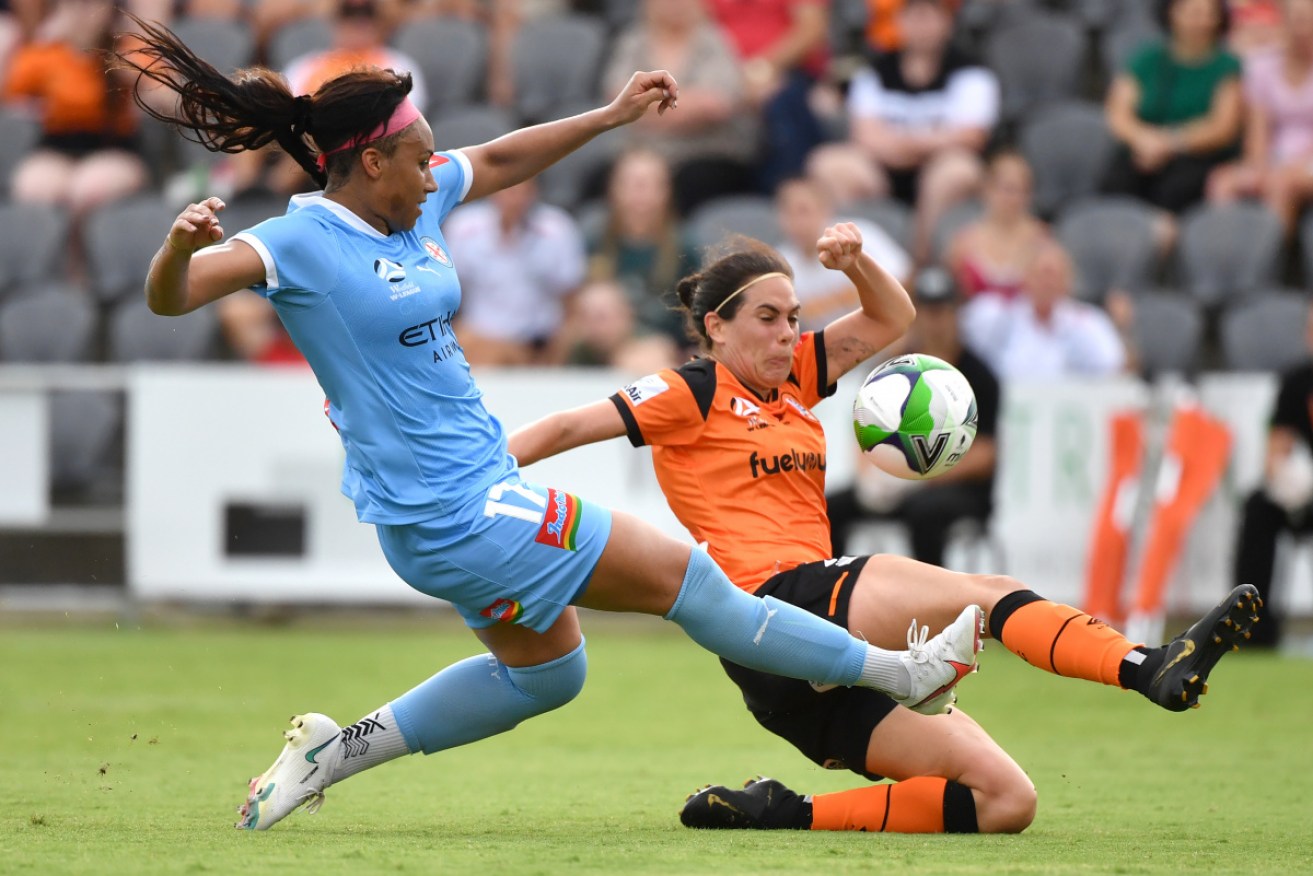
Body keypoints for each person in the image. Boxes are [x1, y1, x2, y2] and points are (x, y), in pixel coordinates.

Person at [116, 16, 981, 832]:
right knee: (694, 583)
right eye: (420, 162)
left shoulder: (409, 202)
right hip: (455, 513)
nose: (437, 174)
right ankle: (901, 673)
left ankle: (328, 755)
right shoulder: (301, 242)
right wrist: (176, 248)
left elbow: (495, 159)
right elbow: (174, 298)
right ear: (372, 163)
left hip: (457, 506)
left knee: (548, 675)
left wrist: (610, 116)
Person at [507, 223, 1261, 835]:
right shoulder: (692, 388)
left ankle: (784, 812)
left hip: (798, 668)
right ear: (716, 326)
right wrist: (482, 476)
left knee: (1003, 801)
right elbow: (573, 423)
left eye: (793, 316)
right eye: (767, 318)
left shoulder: (797, 373)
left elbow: (891, 318)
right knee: (988, 595)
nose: (786, 332)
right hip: (770, 603)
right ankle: (1144, 665)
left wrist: (858, 261)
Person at [827, 266, 998, 567]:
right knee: (830, 508)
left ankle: (933, 597)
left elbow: (985, 454)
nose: (935, 322)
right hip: (899, 479)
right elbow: (866, 426)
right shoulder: (895, 369)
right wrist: (871, 474)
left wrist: (921, 476)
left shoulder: (979, 375)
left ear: (956, 313)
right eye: (928, 311)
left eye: (942, 311)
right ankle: (834, 593)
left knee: (924, 512)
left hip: (959, 489)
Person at [807, 0, 998, 262]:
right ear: (900, 23)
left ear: (947, 24)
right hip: (884, 173)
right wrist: (930, 140)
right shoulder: (876, 70)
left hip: (938, 172)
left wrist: (902, 143)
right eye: (915, 18)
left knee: (957, 169)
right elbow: (865, 135)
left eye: (930, 18)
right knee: (829, 163)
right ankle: (861, 258)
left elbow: (971, 136)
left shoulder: (969, 71)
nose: (922, 28)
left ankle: (921, 263)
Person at [602, 0, 758, 215]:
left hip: (703, 151)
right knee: (603, 178)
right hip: (642, 150)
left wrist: (647, 104)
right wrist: (687, 104)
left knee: (696, 181)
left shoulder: (714, 40)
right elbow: (616, 97)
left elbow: (717, 103)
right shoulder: (634, 41)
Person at [2, 0, 147, 217]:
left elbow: (163, 91)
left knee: (88, 188)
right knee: (32, 187)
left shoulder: (125, 50)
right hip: (58, 145)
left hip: (113, 145)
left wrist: (127, 73)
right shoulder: (49, 53)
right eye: (71, 5)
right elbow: (10, 92)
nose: (81, 13)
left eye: (89, 5)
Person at [1103, 0, 1243, 214]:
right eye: (1191, 13)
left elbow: (1222, 127)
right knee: (1117, 182)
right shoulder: (1146, 59)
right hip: (1144, 147)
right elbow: (1118, 112)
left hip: (1196, 154)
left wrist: (1171, 142)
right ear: (1171, 14)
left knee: (1175, 189)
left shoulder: (1226, 67)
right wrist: (1143, 139)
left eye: (1207, 14)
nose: (1199, 21)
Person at [1231, 305, 1313, 649]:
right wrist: (1284, 477)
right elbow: (1277, 446)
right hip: (1307, 492)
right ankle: (1252, 628)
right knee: (1259, 506)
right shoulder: (1297, 381)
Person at [442, 176, 585, 365]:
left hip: (539, 344)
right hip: (475, 338)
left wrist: (554, 357)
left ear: (534, 192)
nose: (514, 198)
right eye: (508, 190)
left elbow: (572, 302)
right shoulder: (463, 227)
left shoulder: (557, 229)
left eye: (523, 190)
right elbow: (446, 296)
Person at [1208, 0, 1313, 234]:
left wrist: (1291, 168)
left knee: (1281, 185)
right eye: (1294, 20)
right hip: (1277, 159)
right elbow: (1258, 128)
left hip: (1307, 163)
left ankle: (1270, 263)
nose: (1300, 28)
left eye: (1306, 20)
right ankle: (1229, 255)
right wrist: (1259, 167)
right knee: (1223, 181)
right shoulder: (1263, 67)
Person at [959, 241, 1129, 382]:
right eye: (1042, 274)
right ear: (1025, 277)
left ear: (1067, 282)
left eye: (1055, 276)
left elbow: (1112, 366)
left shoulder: (1088, 322)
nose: (1047, 283)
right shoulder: (995, 315)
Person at [586, 147, 699, 350]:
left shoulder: (686, 248)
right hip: (599, 345)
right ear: (613, 189)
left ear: (666, 191)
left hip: (665, 348)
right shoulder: (595, 242)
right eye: (631, 184)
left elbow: (696, 319)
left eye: (648, 185)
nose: (639, 195)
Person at [774, 175, 911, 333]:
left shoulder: (858, 236)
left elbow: (905, 279)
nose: (797, 222)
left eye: (803, 211)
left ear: (825, 210)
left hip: (885, 336)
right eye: (788, 213)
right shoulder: (780, 266)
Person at [945, 150, 1047, 300]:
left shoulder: (1041, 240)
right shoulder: (964, 242)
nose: (1014, 199)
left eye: (1022, 191)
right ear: (988, 189)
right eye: (1008, 190)